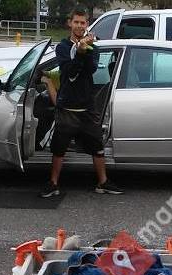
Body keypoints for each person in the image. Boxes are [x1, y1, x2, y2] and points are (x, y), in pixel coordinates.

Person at [39, 8, 123, 198]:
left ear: (87, 24)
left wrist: (84, 50)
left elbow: (91, 69)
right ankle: (53, 183)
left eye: (82, 22)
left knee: (97, 146)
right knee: (59, 149)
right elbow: (69, 72)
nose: (79, 25)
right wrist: (79, 51)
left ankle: (103, 182)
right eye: (76, 22)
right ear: (70, 23)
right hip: (67, 107)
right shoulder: (62, 47)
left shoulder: (94, 46)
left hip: (87, 106)